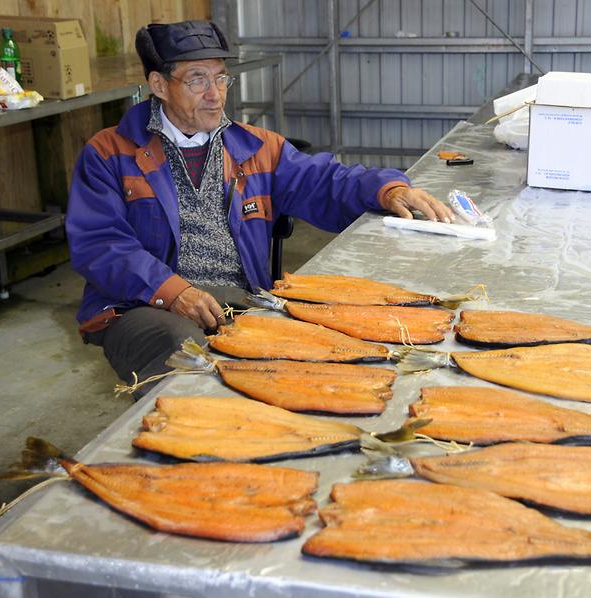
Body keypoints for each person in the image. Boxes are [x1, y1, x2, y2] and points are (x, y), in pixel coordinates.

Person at [66, 20, 455, 396]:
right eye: (197, 79)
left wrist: (386, 190)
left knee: (327, 343)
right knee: (180, 348)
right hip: (139, 304)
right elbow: (100, 244)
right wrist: (172, 291)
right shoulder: (109, 153)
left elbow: (323, 181)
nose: (215, 94)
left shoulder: (254, 147)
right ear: (158, 85)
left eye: (220, 78)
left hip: (236, 295)